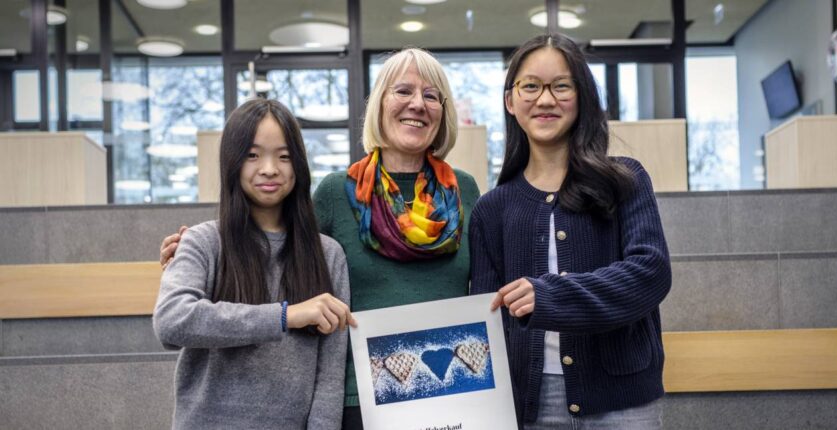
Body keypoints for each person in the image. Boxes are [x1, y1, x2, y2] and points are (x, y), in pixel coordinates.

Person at [159, 48, 480, 430]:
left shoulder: (464, 191)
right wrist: (195, 248)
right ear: (379, 103)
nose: (417, 104)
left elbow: (489, 286)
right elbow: (275, 242)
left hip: (451, 390)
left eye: (431, 95)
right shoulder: (335, 193)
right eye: (403, 91)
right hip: (362, 398)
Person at [469, 33, 672, 429]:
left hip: (623, 401)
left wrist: (548, 295)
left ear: (582, 97)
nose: (546, 100)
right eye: (530, 86)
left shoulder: (625, 180)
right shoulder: (492, 209)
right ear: (510, 101)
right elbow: (486, 322)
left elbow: (651, 274)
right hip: (530, 404)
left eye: (561, 86)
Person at [153, 98, 354, 430]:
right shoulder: (203, 242)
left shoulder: (327, 254)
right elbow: (171, 322)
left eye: (284, 156)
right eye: (253, 155)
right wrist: (285, 315)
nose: (270, 169)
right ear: (233, 161)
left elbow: (330, 378)